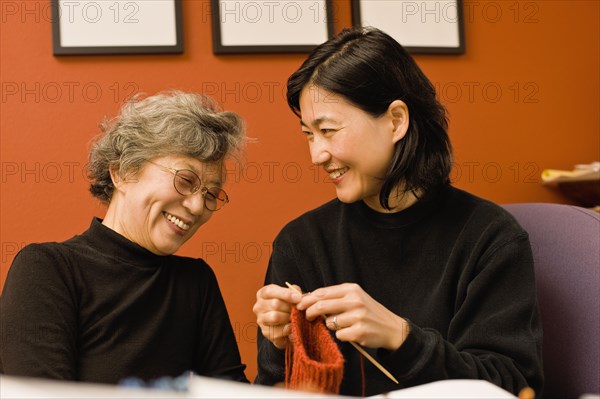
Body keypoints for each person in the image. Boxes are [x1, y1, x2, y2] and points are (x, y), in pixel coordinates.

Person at [253, 27, 543, 397]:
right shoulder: (300, 243)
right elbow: (272, 390)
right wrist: (282, 346)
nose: (316, 155)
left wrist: (400, 337)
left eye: (328, 130)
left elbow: (511, 385)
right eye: (309, 134)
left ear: (396, 121)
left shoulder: (491, 238)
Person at [0, 91, 249, 384]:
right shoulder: (48, 269)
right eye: (185, 181)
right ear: (124, 172)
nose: (197, 207)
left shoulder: (196, 282)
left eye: (210, 193)